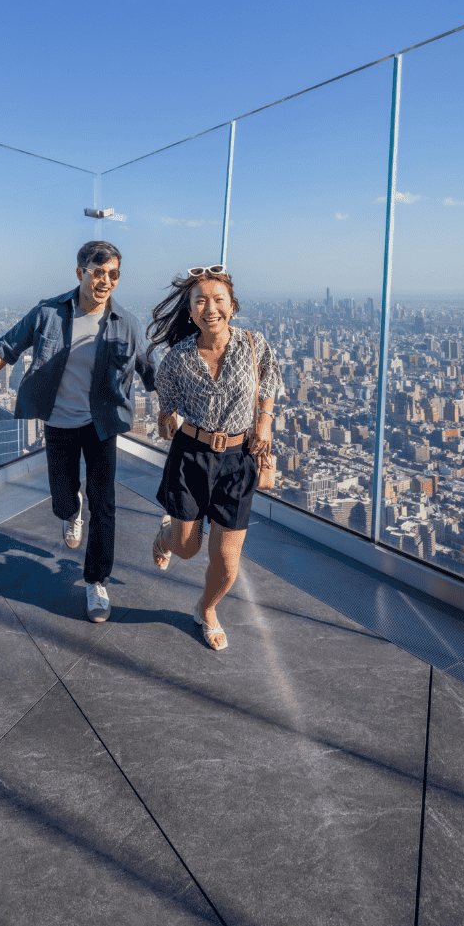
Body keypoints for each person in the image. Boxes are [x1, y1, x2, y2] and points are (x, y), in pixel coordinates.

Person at [0, 241, 157, 623]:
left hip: (101, 426)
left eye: (113, 274)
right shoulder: (48, 313)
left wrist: (171, 409)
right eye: (97, 272)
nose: (105, 281)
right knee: (63, 498)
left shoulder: (127, 324)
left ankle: (96, 580)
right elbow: (7, 347)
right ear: (80, 272)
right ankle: (71, 511)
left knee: (105, 504)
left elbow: (153, 371)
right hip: (58, 423)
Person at [147, 266, 282, 651]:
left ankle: (206, 608)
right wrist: (166, 416)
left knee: (226, 560)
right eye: (200, 301)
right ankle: (165, 536)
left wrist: (265, 424)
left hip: (239, 459)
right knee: (187, 548)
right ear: (190, 312)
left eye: (218, 299)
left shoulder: (254, 345)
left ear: (232, 306)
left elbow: (269, 382)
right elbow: (167, 401)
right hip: (191, 456)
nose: (210, 308)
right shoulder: (178, 357)